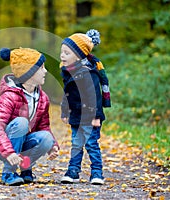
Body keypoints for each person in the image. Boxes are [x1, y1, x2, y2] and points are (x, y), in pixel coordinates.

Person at [0, 47, 59, 186]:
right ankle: (9, 172)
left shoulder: (43, 97)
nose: (45, 71)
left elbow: (44, 126)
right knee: (21, 122)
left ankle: (25, 167)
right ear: (29, 72)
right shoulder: (9, 96)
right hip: (3, 145)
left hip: (23, 142)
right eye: (41, 68)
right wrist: (8, 152)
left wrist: (53, 146)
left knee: (46, 138)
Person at [59, 29, 111, 185]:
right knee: (76, 143)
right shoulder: (69, 72)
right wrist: (64, 111)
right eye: (62, 52)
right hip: (76, 115)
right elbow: (67, 94)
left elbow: (95, 96)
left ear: (79, 55)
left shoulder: (89, 73)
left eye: (67, 53)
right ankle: (73, 171)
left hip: (90, 116)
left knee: (91, 144)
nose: (62, 56)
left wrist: (96, 117)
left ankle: (97, 173)